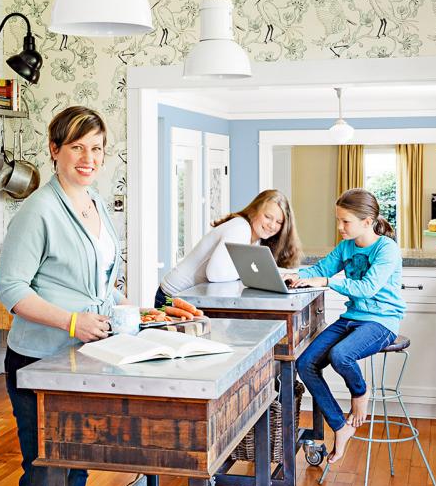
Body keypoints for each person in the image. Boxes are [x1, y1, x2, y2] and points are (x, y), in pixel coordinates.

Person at [0, 106, 119, 486]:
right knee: (46, 480)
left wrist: (122, 312)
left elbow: (102, 278)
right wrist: (72, 320)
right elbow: (11, 290)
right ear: (54, 150)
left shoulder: (95, 205)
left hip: (83, 362)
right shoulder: (38, 211)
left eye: (95, 148)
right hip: (40, 363)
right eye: (76, 148)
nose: (87, 158)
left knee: (75, 474)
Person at [289, 188, 405, 466]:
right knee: (305, 363)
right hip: (352, 318)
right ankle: (340, 426)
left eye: (345, 221)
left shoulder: (386, 249)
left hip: (382, 320)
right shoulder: (346, 247)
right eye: (338, 220)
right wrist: (293, 275)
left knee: (341, 355)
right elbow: (320, 270)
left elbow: (367, 288)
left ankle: (360, 394)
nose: (340, 227)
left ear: (368, 221)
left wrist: (326, 283)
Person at [156, 189, 302, 308]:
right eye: (268, 217)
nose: (272, 225)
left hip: (185, 298)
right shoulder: (240, 228)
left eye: (278, 222)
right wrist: (249, 274)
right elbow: (214, 274)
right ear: (253, 211)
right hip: (170, 297)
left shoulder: (255, 240)